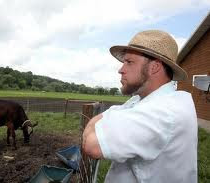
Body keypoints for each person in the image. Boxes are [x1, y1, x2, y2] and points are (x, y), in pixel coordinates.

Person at [82, 30, 197, 183]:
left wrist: (99, 121)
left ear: (154, 67)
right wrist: (111, 116)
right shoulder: (147, 100)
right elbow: (120, 110)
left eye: (129, 62)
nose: (121, 69)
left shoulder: (162, 111)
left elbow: (91, 145)